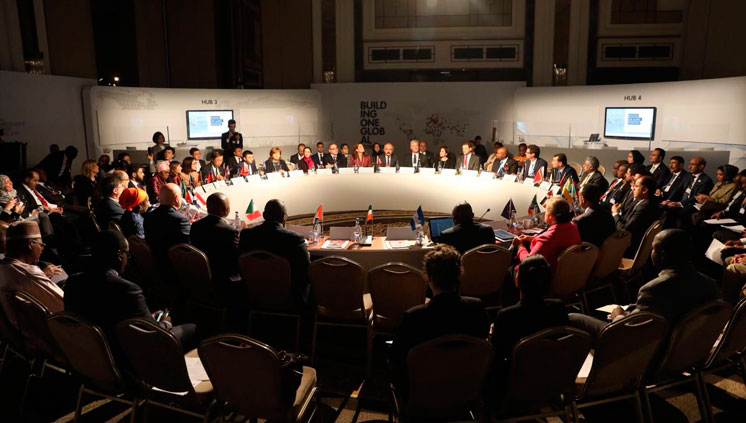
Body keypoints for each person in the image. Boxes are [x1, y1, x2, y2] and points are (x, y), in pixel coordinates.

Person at [569, 229, 721, 339]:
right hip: (682, 349)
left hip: (646, 349)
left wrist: (618, 316)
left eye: (653, 248)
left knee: (574, 317)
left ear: (662, 255)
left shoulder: (653, 289)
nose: (651, 252)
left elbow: (631, 330)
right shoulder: (711, 285)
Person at [64, 230, 196, 348]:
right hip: (129, 354)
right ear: (119, 255)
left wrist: (147, 318)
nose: (128, 259)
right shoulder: (128, 289)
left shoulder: (73, 282)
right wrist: (165, 323)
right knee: (192, 328)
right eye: (127, 254)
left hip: (90, 351)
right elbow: (152, 332)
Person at [391, 244, 489, 397]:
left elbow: (397, 362)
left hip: (423, 396)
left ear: (428, 277)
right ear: (459, 274)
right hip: (466, 392)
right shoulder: (477, 309)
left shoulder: (413, 318)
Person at [492, 255, 568, 373]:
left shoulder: (506, 317)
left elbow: (496, 358)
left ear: (517, 281)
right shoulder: (558, 308)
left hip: (517, 377)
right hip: (551, 373)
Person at [238, 199, 310, 308]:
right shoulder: (294, 239)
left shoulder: (246, 235)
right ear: (284, 217)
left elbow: (239, 263)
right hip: (288, 296)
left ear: (264, 215)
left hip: (253, 294)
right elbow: (305, 271)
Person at [0, 221, 64, 329]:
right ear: (30, 244)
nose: (42, 248)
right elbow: (64, 305)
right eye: (41, 244)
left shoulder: (3, 268)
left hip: (19, 332)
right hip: (46, 332)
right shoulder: (30, 274)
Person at [190, 192, 242, 300]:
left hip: (199, 278)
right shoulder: (230, 231)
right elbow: (237, 258)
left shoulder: (195, 226)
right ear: (226, 209)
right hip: (224, 282)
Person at [513, 197, 581, 271]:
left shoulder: (547, 238)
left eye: (546, 211)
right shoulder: (573, 227)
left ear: (550, 216)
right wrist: (533, 238)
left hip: (547, 274)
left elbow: (528, 262)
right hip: (568, 271)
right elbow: (556, 242)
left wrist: (519, 246)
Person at [612, 176, 661, 258]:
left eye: (636, 186)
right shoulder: (641, 201)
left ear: (644, 190)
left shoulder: (645, 206)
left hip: (628, 245)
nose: (633, 189)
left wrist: (615, 213)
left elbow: (624, 230)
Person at [143, 183, 190, 261]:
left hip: (154, 259)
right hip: (174, 262)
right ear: (176, 199)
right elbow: (188, 246)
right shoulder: (181, 220)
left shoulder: (148, 216)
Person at [574, 183, 616, 248]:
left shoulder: (579, 221)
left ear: (583, 199)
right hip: (608, 252)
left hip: (587, 254)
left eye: (579, 196)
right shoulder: (609, 216)